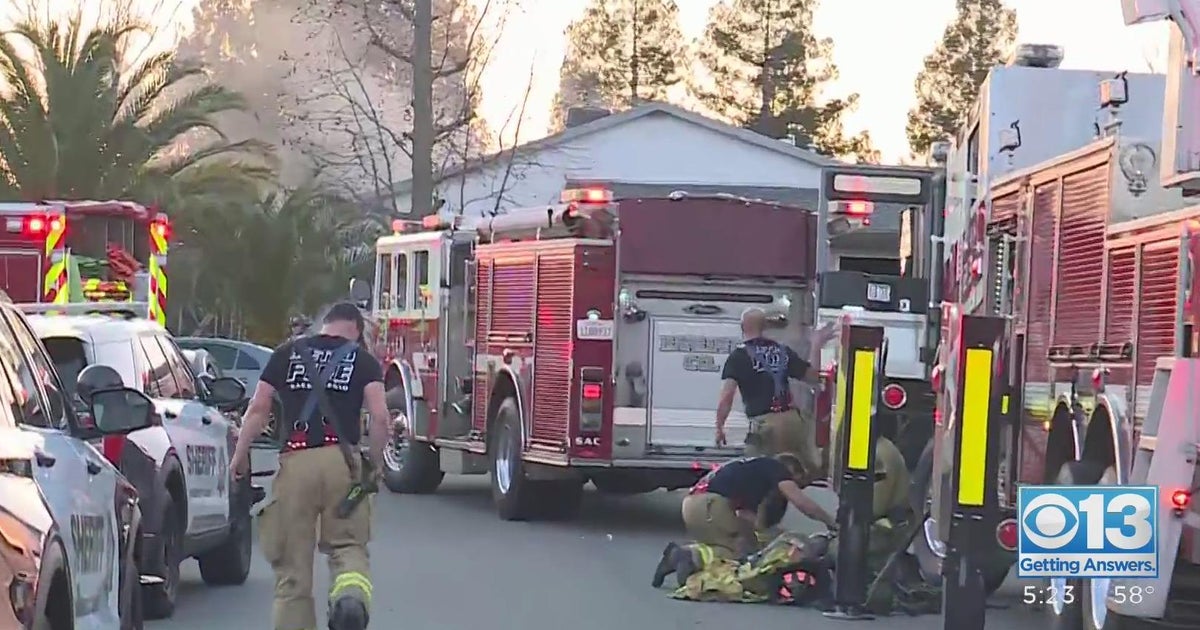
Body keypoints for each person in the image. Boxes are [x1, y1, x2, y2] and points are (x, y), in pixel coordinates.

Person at [230, 303, 391, 630]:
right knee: (348, 547)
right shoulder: (364, 361)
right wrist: (374, 464)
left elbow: (259, 408)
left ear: (324, 326)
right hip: (343, 464)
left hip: (296, 461)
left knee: (292, 575)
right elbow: (380, 417)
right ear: (357, 331)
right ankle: (349, 601)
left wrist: (240, 455)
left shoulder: (286, 353)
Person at [653, 452, 837, 587]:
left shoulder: (752, 472)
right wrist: (831, 522)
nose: (795, 487)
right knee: (737, 557)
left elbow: (746, 517)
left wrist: (758, 542)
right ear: (792, 471)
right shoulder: (777, 468)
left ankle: (681, 555)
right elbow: (802, 503)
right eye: (797, 482)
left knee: (723, 548)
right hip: (710, 504)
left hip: (692, 505)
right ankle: (687, 556)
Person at [716, 308, 837, 475]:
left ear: (742, 327)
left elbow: (726, 397)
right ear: (765, 326)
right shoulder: (782, 351)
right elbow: (814, 376)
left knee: (756, 474)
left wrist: (719, 426)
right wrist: (816, 345)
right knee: (803, 473)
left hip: (766, 426)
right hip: (793, 422)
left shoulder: (739, 356)